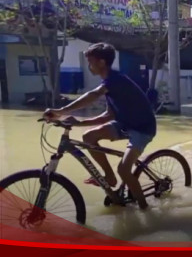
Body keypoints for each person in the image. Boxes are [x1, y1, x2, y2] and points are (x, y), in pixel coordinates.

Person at [43, 42, 156, 210]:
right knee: (88, 136)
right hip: (124, 124)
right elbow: (109, 115)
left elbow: (94, 95)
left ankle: (144, 209)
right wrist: (80, 123)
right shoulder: (110, 84)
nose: (89, 66)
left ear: (101, 62)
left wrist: (61, 111)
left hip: (142, 129)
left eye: (90, 62)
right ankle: (109, 177)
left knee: (124, 170)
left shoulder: (115, 80)